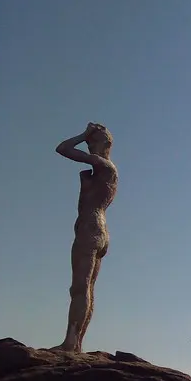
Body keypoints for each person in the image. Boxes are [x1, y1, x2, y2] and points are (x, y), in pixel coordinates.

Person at [54, 123, 118, 353]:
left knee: (80, 288)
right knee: (86, 288)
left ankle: (70, 342)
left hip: (90, 228)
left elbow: (63, 149)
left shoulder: (104, 165)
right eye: (89, 142)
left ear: (107, 143)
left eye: (94, 142)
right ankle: (76, 343)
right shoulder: (106, 169)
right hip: (100, 230)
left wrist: (82, 135)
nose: (90, 146)